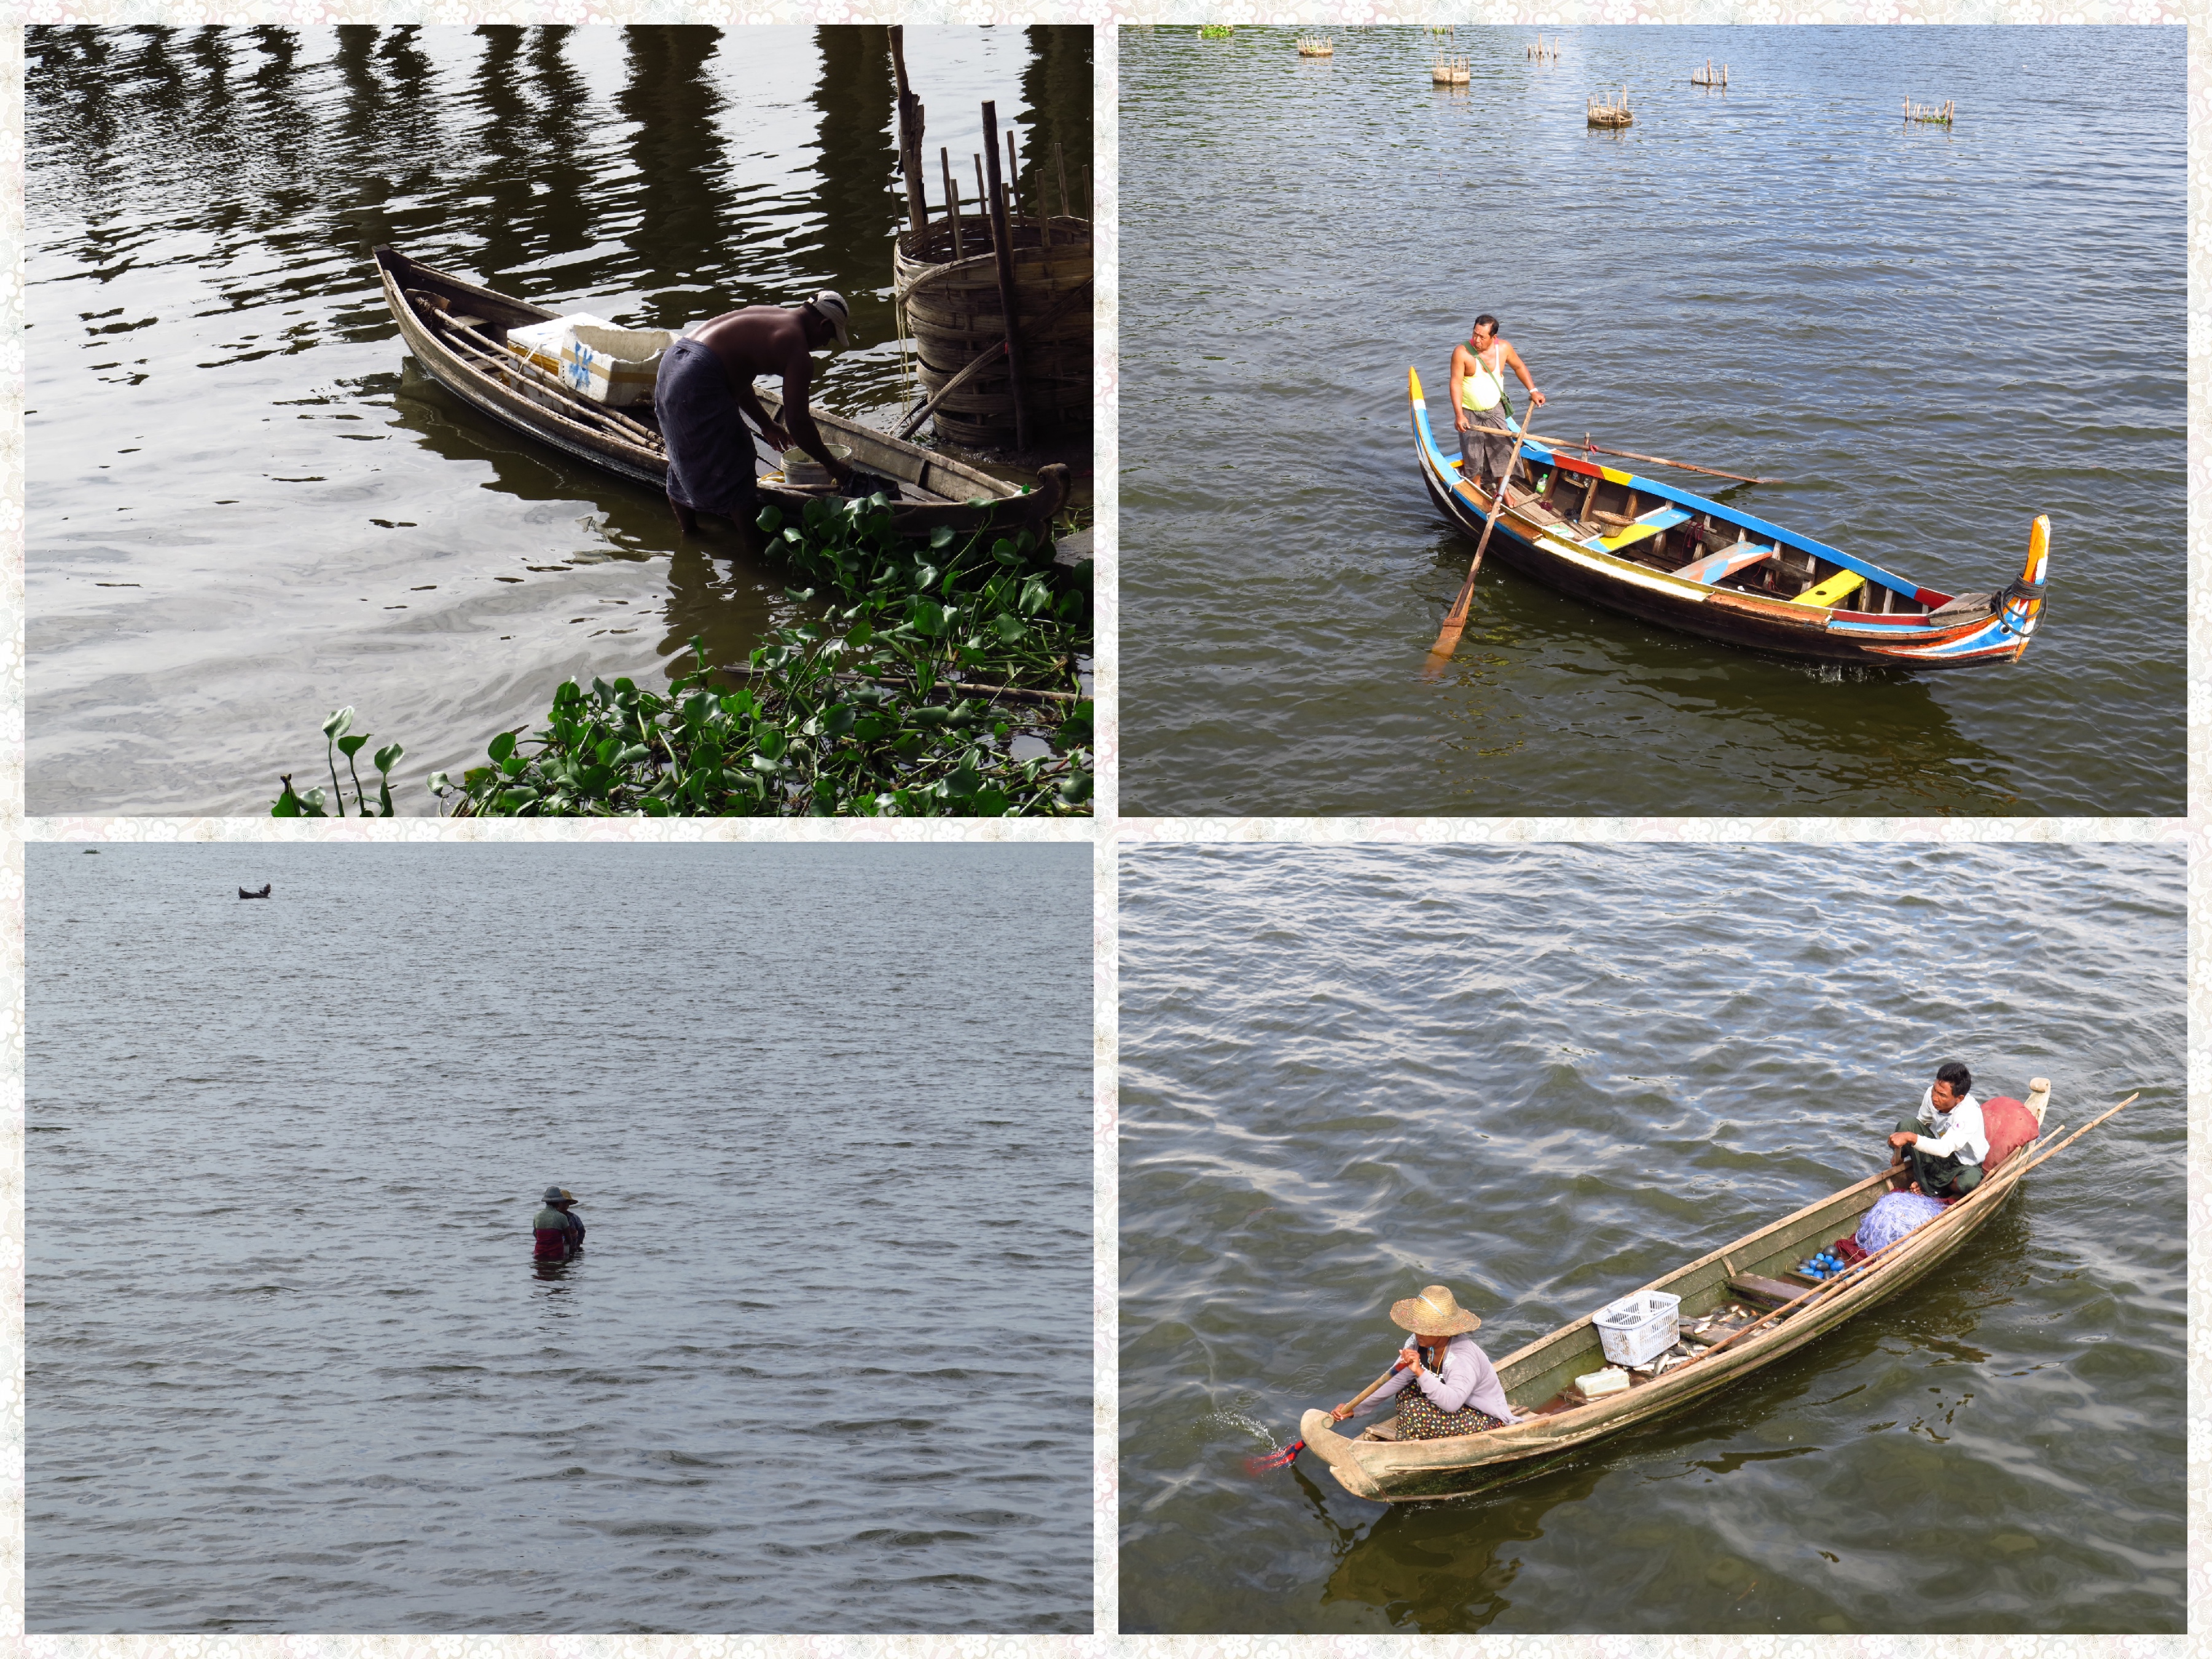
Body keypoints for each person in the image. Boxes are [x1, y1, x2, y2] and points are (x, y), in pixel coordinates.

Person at [654, 291, 854, 537]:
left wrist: (766, 424)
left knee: (682, 450)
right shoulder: (797, 351)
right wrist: (831, 464)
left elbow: (736, 376)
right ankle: (751, 547)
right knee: (739, 456)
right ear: (823, 324)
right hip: (697, 375)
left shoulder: (771, 317)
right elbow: (798, 421)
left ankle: (690, 533)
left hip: (674, 361)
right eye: (830, 336)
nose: (826, 344)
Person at [1329, 1284, 1520, 1440]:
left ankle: (1411, 1442)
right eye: (1417, 1326)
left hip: (1484, 1418)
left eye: (1424, 1328)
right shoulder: (1417, 1342)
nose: (1417, 1332)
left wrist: (1420, 1371)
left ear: (1442, 1330)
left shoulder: (1462, 1356)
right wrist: (1355, 1408)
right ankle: (1411, 1437)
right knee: (1406, 1390)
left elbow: (1453, 1403)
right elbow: (1394, 1379)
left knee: (1414, 1409)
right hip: (1452, 1408)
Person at [1449, 315, 1546, 499]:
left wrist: (1533, 390)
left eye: (1482, 337)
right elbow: (1455, 384)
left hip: (1495, 410)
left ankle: (1502, 490)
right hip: (1470, 412)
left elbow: (1519, 367)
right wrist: (1459, 415)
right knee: (1473, 454)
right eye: (1475, 334)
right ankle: (1476, 489)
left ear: (1494, 337)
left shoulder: (1504, 349)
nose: (1477, 340)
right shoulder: (1462, 353)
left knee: (1503, 449)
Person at [1887, 1061, 1986, 1200]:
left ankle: (1936, 1186)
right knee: (1906, 1125)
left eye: (1942, 1095)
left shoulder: (1968, 1113)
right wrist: (1901, 1151)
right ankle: (1933, 1181)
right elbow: (1921, 1123)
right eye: (1935, 1089)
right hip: (1939, 1156)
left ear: (1959, 1099)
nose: (1935, 1097)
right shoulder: (1931, 1095)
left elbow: (1945, 1149)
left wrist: (1910, 1137)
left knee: (1969, 1182)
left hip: (1963, 1162)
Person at [533, 1186, 586, 1261]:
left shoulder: (537, 1215)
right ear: (558, 1203)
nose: (564, 1205)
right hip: (557, 1253)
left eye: (566, 1203)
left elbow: (536, 1234)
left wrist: (577, 1245)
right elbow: (569, 1240)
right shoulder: (561, 1217)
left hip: (539, 1252)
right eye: (562, 1202)